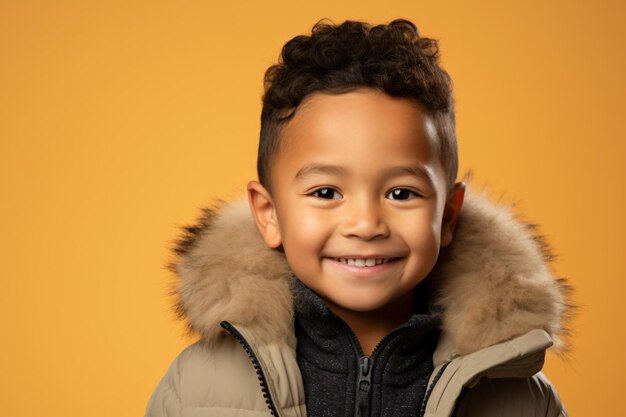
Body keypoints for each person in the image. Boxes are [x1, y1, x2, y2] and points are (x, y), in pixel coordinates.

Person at [144, 18, 570, 417]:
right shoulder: (196, 387)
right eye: (326, 192)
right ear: (269, 215)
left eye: (401, 193)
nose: (366, 225)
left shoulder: (521, 397)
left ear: (447, 216)